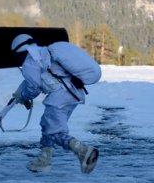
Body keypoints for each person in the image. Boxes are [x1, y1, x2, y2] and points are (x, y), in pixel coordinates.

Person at [10, 34, 99, 174]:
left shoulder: (30, 61)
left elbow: (33, 86)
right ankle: (43, 161)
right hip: (73, 94)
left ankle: (83, 151)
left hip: (59, 98)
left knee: (55, 131)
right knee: (48, 125)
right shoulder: (44, 54)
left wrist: (23, 97)